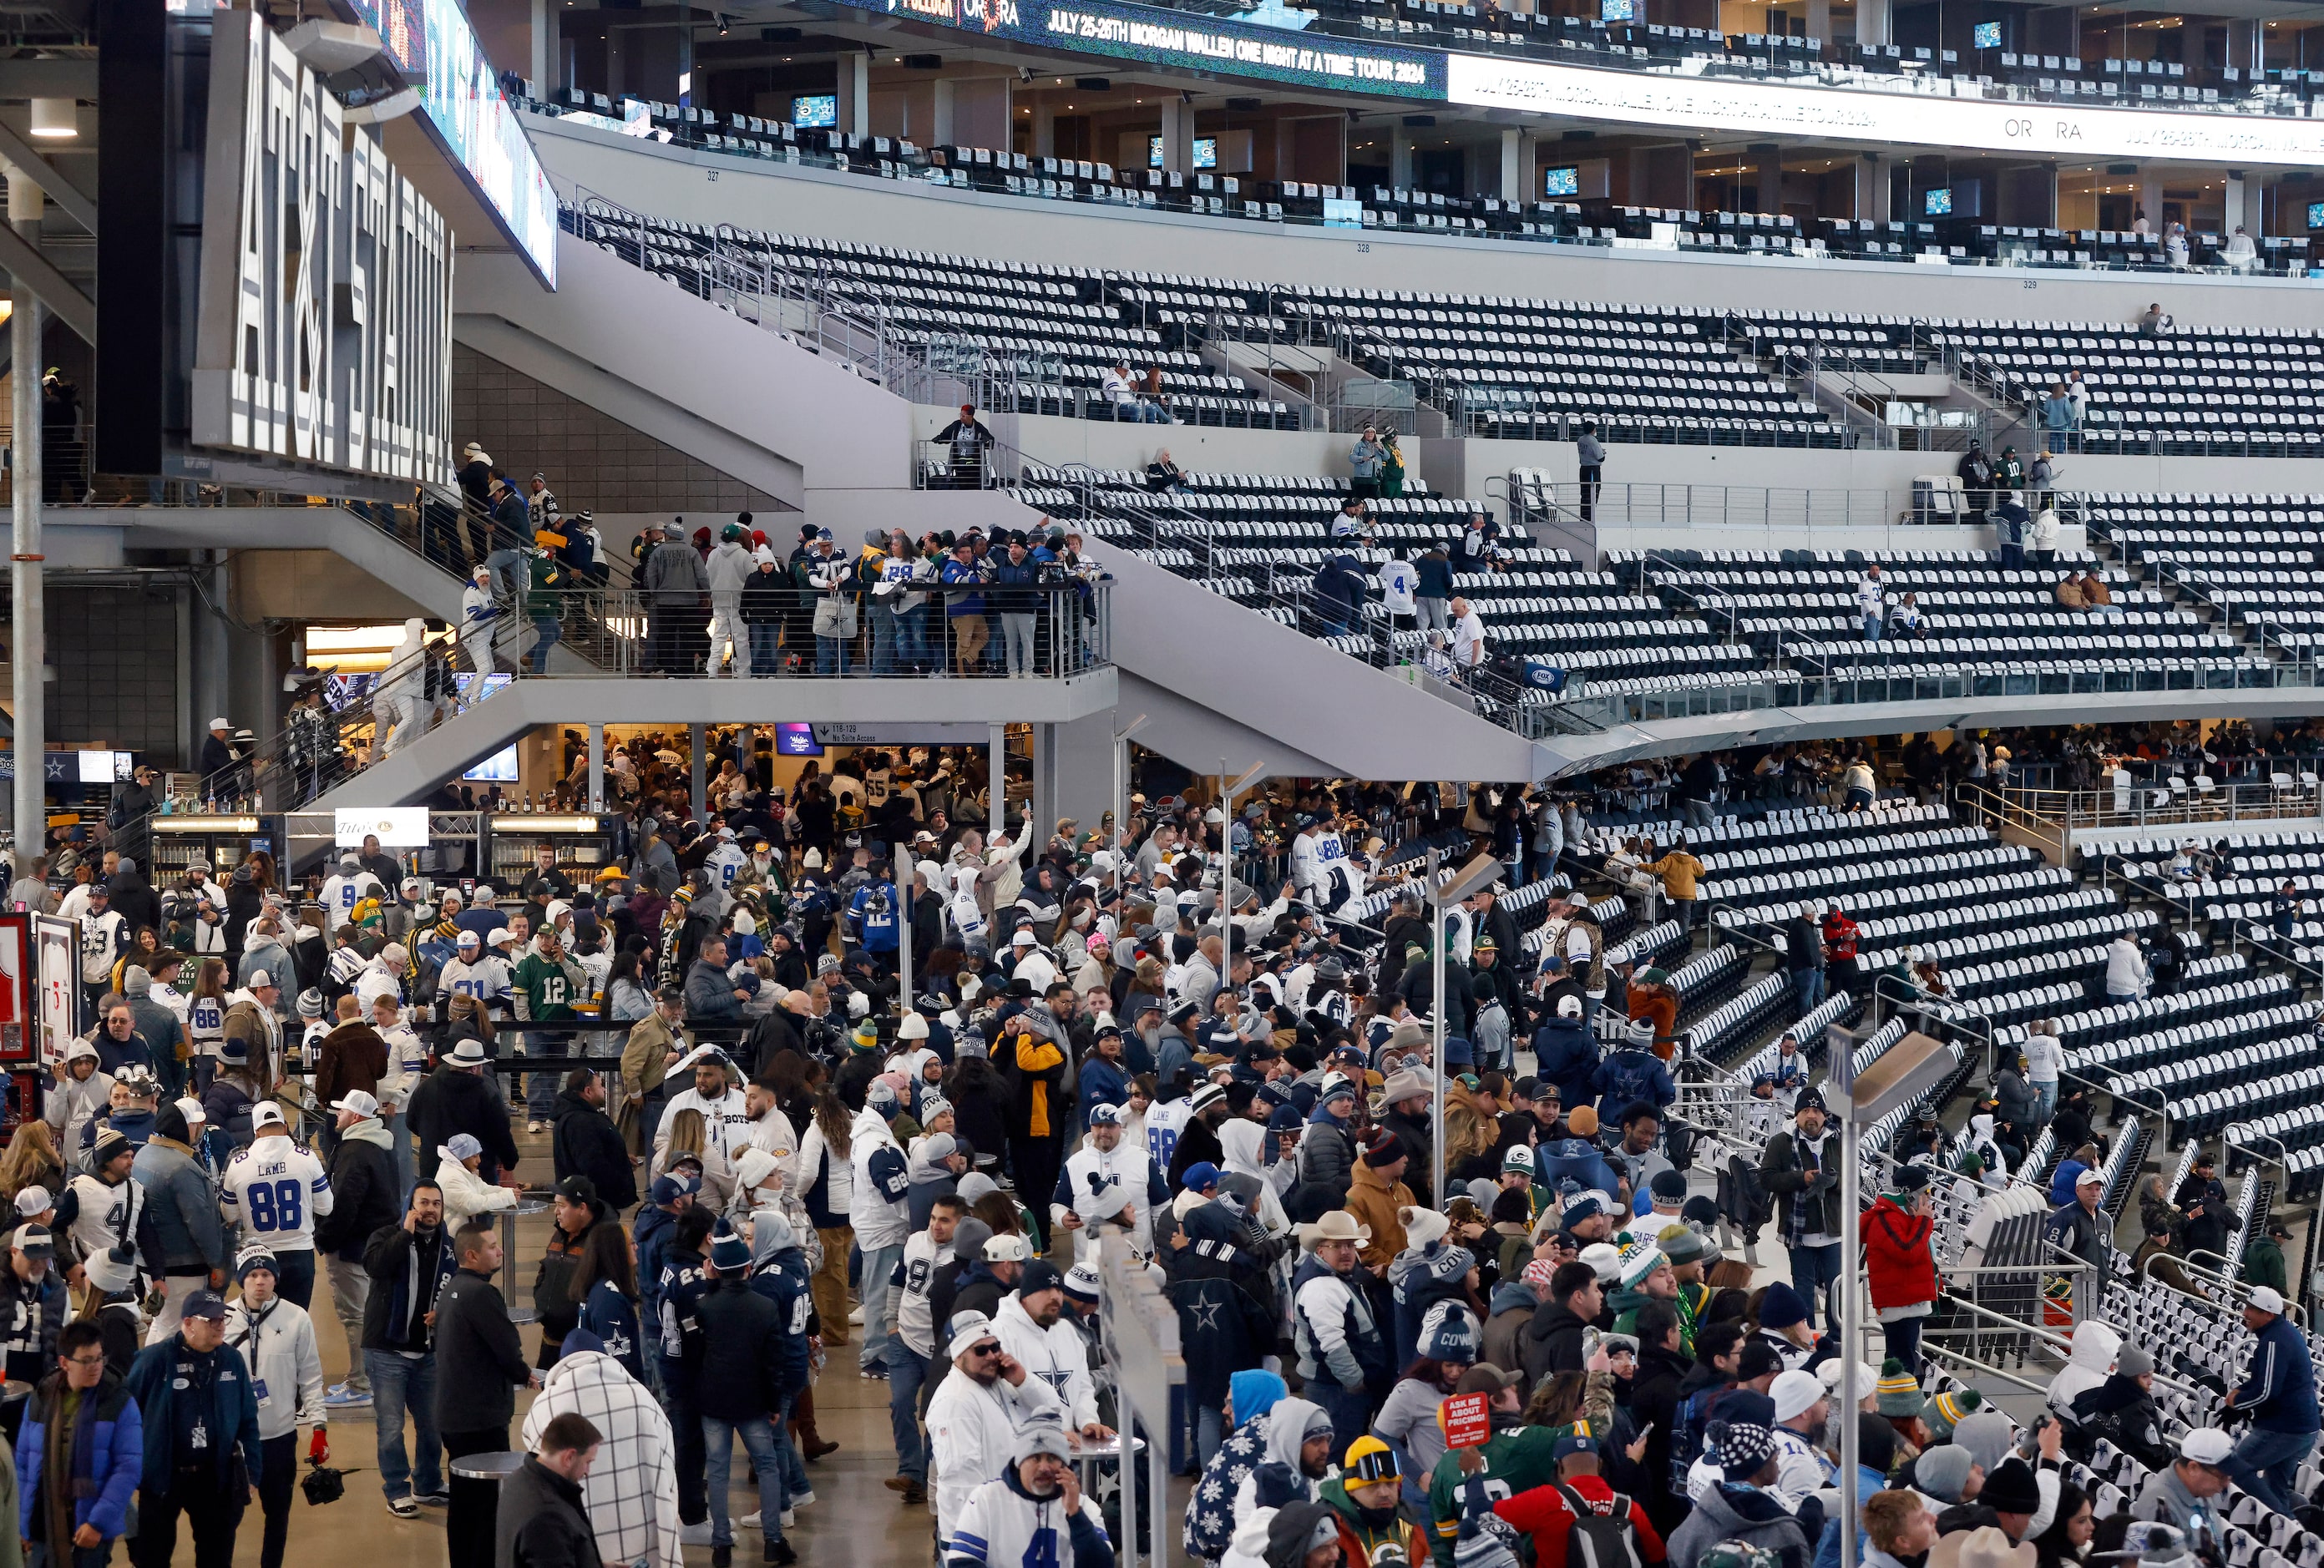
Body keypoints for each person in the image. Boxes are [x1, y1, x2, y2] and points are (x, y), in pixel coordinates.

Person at [123, 1288, 261, 1568]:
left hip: (215, 1477)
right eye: (210, 1320)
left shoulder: (231, 1361)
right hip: (164, 1477)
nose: (220, 1325)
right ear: (187, 1323)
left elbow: (248, 1419)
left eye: (222, 1318)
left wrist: (253, 1474)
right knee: (151, 1557)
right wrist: (129, 1471)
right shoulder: (153, 1361)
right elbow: (124, 1418)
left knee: (216, 1557)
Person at [690, 1222, 803, 1567]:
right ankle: (773, 1540)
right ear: (748, 1268)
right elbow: (773, 1362)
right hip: (754, 1401)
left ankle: (720, 1545)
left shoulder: (704, 1307)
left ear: (715, 1268)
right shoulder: (764, 1307)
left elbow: (695, 1354)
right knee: (767, 1466)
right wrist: (772, 1404)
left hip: (714, 1401)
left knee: (719, 1471)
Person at [521, 1340, 683, 1568]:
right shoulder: (642, 1398)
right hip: (642, 1530)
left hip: (577, 1531)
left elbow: (538, 1468)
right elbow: (667, 1462)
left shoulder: (546, 1405)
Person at [437, 1217, 540, 1568]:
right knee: (483, 1505)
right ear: (471, 1255)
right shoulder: (482, 1294)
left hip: (453, 1414)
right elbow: (507, 1347)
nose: (499, 1252)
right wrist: (526, 1375)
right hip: (480, 1418)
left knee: (463, 1501)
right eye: (492, 1247)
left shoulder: (453, 1290)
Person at [925, 1308, 1068, 1555]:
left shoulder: (1000, 1383)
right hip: (979, 1537)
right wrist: (977, 1540)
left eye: (996, 1346)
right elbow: (962, 1482)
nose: (992, 1356)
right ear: (958, 1355)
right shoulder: (955, 1403)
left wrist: (1022, 1380)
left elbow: (1053, 1409)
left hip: (1011, 1526)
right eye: (981, 1350)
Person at [222, 1246, 326, 1568]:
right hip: (233, 1440)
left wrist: (319, 1427)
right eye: (252, 1275)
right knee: (225, 1518)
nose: (259, 1282)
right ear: (241, 1279)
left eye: (266, 1274)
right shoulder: (222, 1318)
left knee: (278, 1514)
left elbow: (310, 1375)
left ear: (276, 1278)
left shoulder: (296, 1318)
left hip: (280, 1436)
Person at [16, 1320, 140, 1568]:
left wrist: (98, 1523)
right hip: (44, 1522)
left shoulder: (118, 1402)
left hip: (90, 1524)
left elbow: (128, 1468)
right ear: (64, 1363)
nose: (95, 1367)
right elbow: (23, 1464)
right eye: (86, 1360)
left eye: (99, 1358)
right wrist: (22, 1523)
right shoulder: (41, 1399)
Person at [947, 1419, 1114, 1568]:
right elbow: (961, 1561)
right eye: (1035, 1458)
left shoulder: (1084, 1506)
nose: (1044, 1467)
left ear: (1064, 1464)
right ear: (1020, 1463)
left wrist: (1076, 1515)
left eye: (1051, 1458)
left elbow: (1103, 1564)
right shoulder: (986, 1498)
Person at [2220, 1285, 2318, 1516]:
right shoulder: (2279, 1334)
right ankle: (2286, 1533)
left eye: (2252, 1309)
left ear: (2269, 1315)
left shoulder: (2275, 1341)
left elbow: (2267, 1392)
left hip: (2287, 1429)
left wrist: (2237, 1403)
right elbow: (2263, 1381)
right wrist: (2241, 1393)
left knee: (2237, 1467)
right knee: (2275, 1486)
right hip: (2299, 1427)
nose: (2245, 1313)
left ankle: (2284, 1523)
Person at [1761, 1090, 1841, 1333]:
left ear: (1824, 1116)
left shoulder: (1838, 1140)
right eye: (1806, 1111)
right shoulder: (1781, 1142)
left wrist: (1834, 1182)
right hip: (1799, 1231)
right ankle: (1808, 1338)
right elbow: (1767, 1178)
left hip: (1834, 1230)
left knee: (1837, 1287)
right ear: (1797, 1115)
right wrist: (1801, 1179)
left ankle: (1837, 1337)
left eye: (1816, 1111)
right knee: (1803, 1288)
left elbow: (1855, 1179)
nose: (1811, 1116)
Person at [495, 1412, 603, 1568]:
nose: (587, 1471)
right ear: (569, 1457)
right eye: (588, 1462)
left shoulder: (518, 1480)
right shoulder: (547, 1517)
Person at [2131, 1428, 2232, 1536]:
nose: (2226, 1484)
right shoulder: (2158, 1505)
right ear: (2193, 1468)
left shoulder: (2200, 1491)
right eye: (2222, 1477)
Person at [1575, 422, 1604, 523]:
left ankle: (1584, 517)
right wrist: (1602, 452)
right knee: (1593, 492)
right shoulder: (1593, 440)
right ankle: (1590, 518)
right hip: (1593, 469)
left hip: (1583, 468)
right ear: (1593, 430)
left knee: (1584, 494)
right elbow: (1601, 458)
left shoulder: (1580, 439)